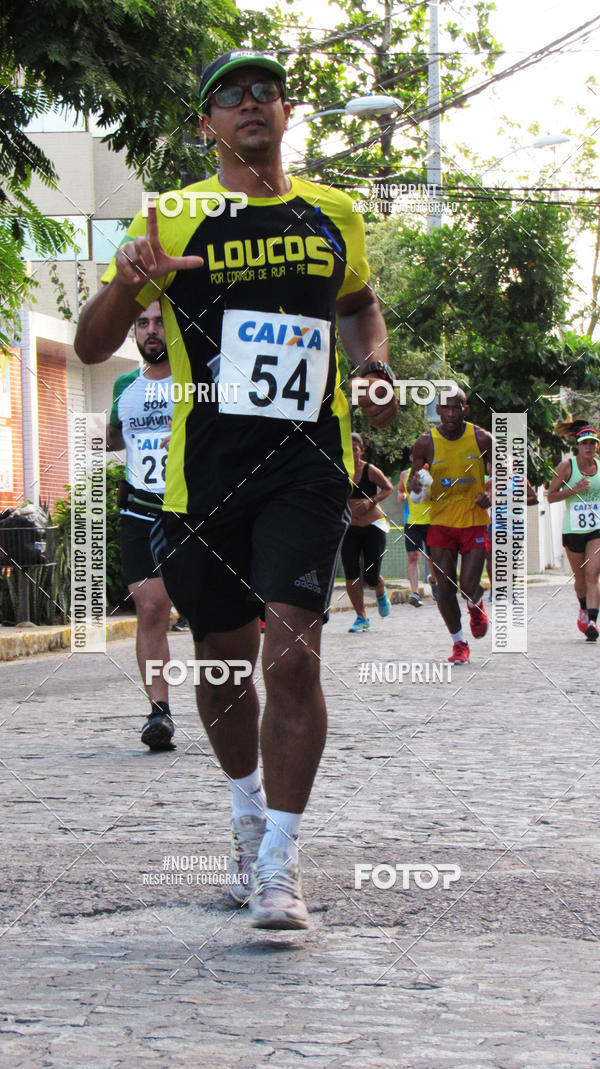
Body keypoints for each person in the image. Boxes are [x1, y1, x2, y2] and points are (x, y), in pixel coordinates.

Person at [74, 49, 397, 930]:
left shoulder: (333, 212)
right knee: (223, 666)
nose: (250, 104)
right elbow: (93, 343)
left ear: (287, 114)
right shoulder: (173, 216)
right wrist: (131, 278)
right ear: (206, 124)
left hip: (308, 467)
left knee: (292, 656)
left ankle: (283, 862)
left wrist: (371, 363)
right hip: (203, 475)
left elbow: (359, 304)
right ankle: (247, 816)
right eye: (230, 95)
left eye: (265, 92)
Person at [107, 302, 177, 750]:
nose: (151, 331)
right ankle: (160, 711)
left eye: (158, 323)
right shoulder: (123, 385)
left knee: (214, 612)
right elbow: (113, 436)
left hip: (192, 510)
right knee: (151, 608)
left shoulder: (197, 382)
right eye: (142, 323)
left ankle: (228, 699)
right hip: (139, 508)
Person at [407, 388, 491, 664]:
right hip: (441, 522)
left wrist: (490, 493)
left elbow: (505, 473)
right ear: (438, 411)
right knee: (444, 587)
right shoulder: (424, 443)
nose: (452, 414)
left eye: (458, 408)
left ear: (466, 409)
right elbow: (412, 483)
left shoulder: (481, 439)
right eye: (446, 408)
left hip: (474, 520)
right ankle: (459, 643)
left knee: (468, 584)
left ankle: (475, 604)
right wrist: (415, 484)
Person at [548, 420, 600, 641]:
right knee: (580, 578)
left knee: (592, 573)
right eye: (584, 443)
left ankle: (593, 622)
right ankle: (583, 609)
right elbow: (550, 496)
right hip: (573, 530)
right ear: (577, 445)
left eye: (592, 443)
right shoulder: (567, 467)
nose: (589, 447)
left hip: (596, 529)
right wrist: (574, 490)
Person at [341, 432, 393, 632]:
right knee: (351, 573)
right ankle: (361, 617)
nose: (352, 452)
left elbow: (388, 488)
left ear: (361, 451)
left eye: (356, 449)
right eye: (349, 449)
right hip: (350, 527)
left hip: (373, 526)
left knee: (371, 577)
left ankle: (380, 592)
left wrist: (371, 500)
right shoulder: (340, 470)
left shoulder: (370, 470)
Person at [397, 452, 437, 606]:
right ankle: (415, 593)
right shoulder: (404, 475)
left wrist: (429, 496)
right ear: (411, 457)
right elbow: (401, 490)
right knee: (413, 556)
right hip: (411, 521)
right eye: (415, 456)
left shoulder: (432, 475)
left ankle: (433, 581)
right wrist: (402, 496)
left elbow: (442, 496)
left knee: (433, 557)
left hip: (431, 521)